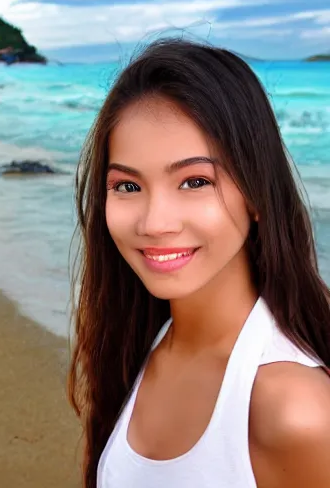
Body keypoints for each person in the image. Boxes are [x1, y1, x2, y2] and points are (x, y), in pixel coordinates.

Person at [68, 38, 330, 488]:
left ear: (257, 195)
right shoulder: (142, 337)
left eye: (194, 181)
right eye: (127, 187)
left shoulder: (292, 410)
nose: (155, 223)